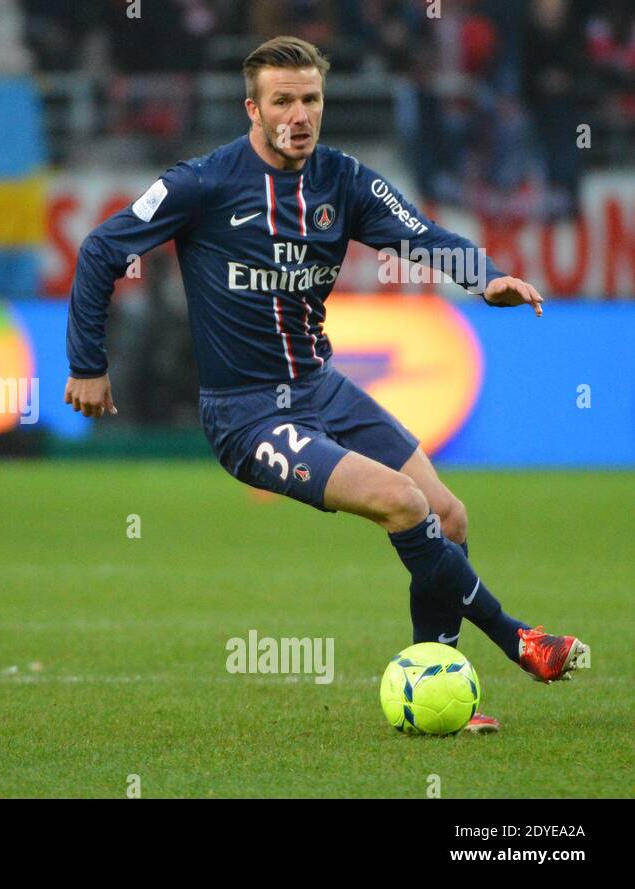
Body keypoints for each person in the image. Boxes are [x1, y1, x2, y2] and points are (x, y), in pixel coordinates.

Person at [63, 36, 589, 732]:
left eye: (310, 98)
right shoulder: (204, 183)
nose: (299, 114)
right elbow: (103, 247)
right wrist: (86, 364)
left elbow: (422, 234)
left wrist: (483, 274)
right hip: (246, 414)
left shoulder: (343, 180)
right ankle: (519, 639)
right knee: (403, 504)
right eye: (283, 100)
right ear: (253, 108)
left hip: (321, 387)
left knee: (449, 515)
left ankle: (440, 691)